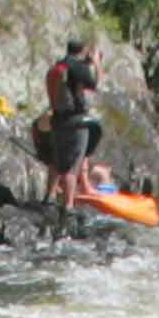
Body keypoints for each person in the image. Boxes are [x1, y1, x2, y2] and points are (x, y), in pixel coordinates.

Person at [39, 36, 108, 205]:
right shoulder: (78, 67)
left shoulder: (58, 66)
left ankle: (48, 198)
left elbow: (70, 84)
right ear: (83, 51)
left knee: (55, 162)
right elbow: (96, 85)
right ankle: (67, 208)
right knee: (72, 168)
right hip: (76, 122)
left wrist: (87, 64)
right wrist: (97, 63)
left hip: (57, 121)